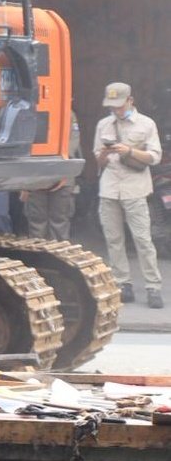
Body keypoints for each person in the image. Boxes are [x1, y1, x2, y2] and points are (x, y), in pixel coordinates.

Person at [94, 82, 164, 308]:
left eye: (119, 105)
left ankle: (153, 286)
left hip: (135, 188)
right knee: (114, 240)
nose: (116, 110)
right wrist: (105, 153)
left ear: (130, 101)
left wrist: (130, 151)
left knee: (143, 240)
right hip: (110, 188)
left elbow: (155, 157)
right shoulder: (103, 125)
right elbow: (98, 161)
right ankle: (123, 283)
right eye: (112, 106)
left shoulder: (146, 124)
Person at [23, 111, 82, 242]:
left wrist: (61, 164)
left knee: (59, 220)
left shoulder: (68, 113)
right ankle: (38, 256)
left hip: (62, 174)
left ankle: (58, 258)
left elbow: (72, 142)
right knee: (37, 221)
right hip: (35, 174)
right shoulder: (28, 111)